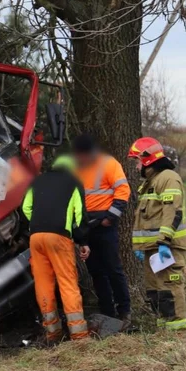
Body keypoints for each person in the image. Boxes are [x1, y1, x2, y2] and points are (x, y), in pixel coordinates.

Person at [22, 154, 91, 342]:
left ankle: (52, 333)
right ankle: (79, 335)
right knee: (68, 283)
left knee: (43, 284)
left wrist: (38, 225)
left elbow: (26, 208)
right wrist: (82, 240)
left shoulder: (37, 182)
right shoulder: (73, 183)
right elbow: (79, 216)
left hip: (36, 237)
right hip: (59, 237)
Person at [127, 136, 186, 330]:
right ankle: (164, 330)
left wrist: (164, 241)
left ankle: (176, 336)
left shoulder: (168, 178)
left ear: (147, 159)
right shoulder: (151, 182)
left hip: (166, 248)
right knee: (156, 293)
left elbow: (172, 211)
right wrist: (139, 246)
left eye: (137, 161)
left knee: (169, 289)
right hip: (152, 250)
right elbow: (143, 218)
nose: (136, 167)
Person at [73, 134, 132, 323]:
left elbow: (123, 191)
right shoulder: (77, 169)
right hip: (87, 226)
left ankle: (124, 310)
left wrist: (111, 217)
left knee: (113, 269)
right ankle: (107, 311)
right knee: (96, 271)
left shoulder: (109, 163)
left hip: (104, 224)